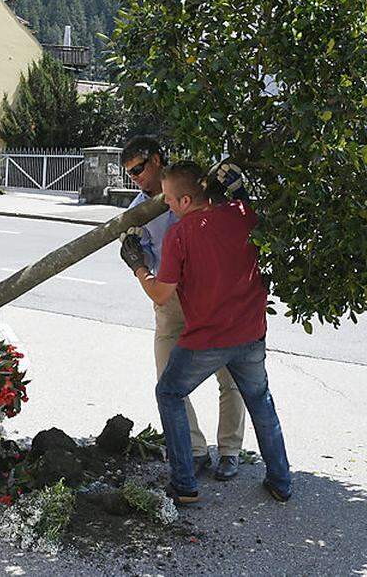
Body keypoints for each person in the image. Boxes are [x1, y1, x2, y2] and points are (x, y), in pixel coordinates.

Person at [129, 162, 292, 505]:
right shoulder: (242, 213)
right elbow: (250, 209)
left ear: (186, 200)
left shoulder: (181, 234)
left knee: (170, 393)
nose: (168, 206)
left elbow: (160, 293)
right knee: (261, 402)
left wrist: (139, 266)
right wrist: (240, 189)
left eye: (171, 200)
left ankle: (184, 483)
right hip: (250, 334)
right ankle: (281, 481)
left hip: (207, 339)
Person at [118, 136, 246, 481]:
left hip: (209, 296)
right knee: (167, 378)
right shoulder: (138, 209)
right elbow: (141, 249)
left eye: (140, 169)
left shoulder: (195, 187)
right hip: (171, 299)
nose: (136, 178)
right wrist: (134, 253)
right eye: (130, 174)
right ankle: (194, 449)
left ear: (157, 160)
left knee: (229, 374)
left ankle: (231, 451)